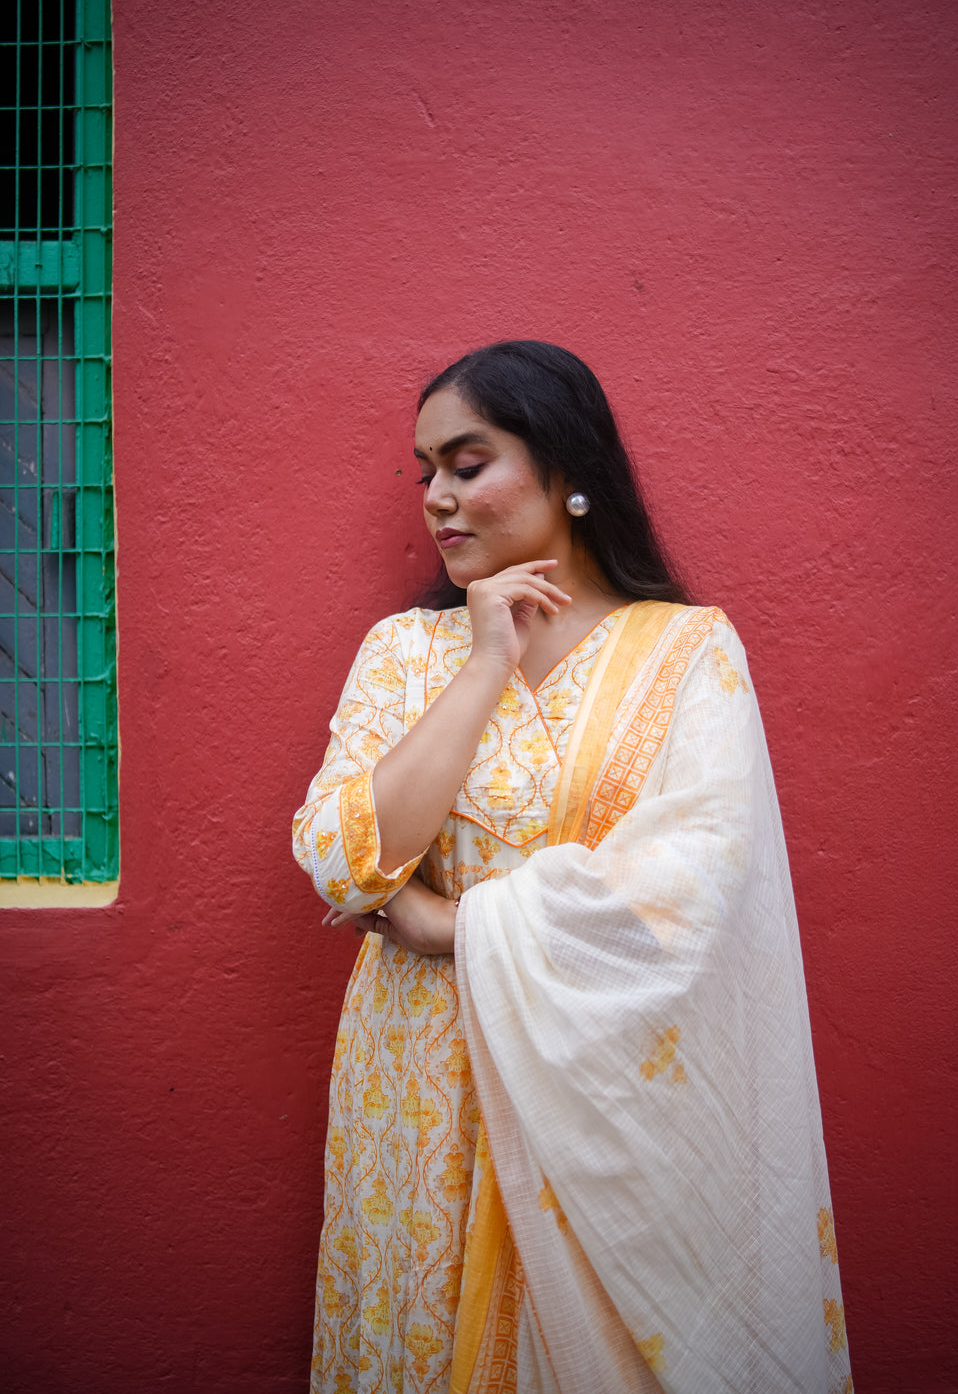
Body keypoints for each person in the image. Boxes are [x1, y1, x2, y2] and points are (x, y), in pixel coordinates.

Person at [292, 340, 852, 1394]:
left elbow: (692, 889)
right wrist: (484, 660)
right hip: (420, 1079)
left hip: (608, 1083)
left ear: (565, 469)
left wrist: (457, 926)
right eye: (426, 475)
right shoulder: (407, 653)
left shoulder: (686, 653)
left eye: (468, 464)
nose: (438, 500)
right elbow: (340, 857)